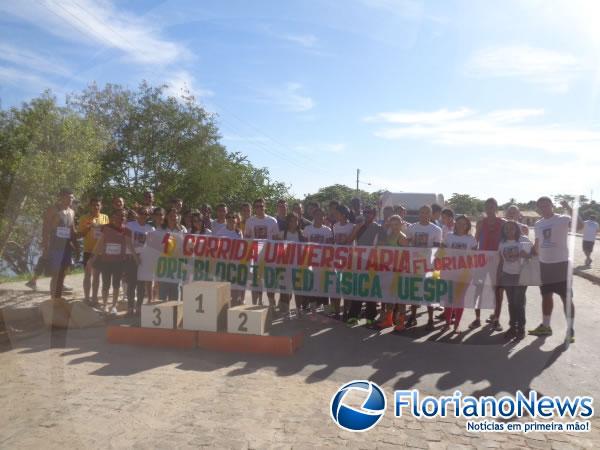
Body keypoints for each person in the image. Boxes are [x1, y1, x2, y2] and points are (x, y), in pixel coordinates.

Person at [529, 198, 581, 344]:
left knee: (566, 298)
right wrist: (529, 252)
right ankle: (546, 326)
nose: (544, 208)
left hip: (562, 265)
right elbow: (538, 244)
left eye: (546, 205)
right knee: (546, 296)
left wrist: (569, 207)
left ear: (552, 206)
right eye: (541, 206)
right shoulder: (538, 224)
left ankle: (570, 330)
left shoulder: (563, 218)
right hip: (544, 266)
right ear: (538, 209)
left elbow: (581, 226)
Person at [346, 205, 387, 326]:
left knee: (371, 291)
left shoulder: (379, 228)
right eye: (365, 212)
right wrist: (357, 228)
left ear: (374, 215)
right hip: (359, 262)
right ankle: (353, 316)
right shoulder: (359, 226)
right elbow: (350, 240)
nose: (367, 214)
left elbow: (384, 245)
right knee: (358, 290)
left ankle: (370, 317)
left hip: (373, 263)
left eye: (369, 213)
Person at [90, 209, 138, 314]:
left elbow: (130, 245)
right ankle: (105, 305)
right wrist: (93, 257)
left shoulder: (127, 231)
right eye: (119, 216)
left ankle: (113, 305)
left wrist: (136, 258)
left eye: (124, 216)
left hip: (119, 262)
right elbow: (100, 243)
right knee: (106, 284)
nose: (121, 218)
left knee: (116, 284)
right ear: (114, 216)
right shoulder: (106, 228)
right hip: (106, 261)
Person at [470, 198, 506, 331]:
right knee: (478, 290)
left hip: (497, 262)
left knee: (497, 291)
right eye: (487, 207)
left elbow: (509, 239)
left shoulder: (503, 223)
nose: (489, 209)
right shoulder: (480, 223)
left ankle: (496, 319)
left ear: (496, 208)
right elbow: (475, 241)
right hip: (482, 261)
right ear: (485, 208)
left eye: (492, 207)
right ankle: (477, 319)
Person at [405, 205, 442, 330]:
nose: (424, 215)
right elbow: (407, 244)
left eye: (427, 212)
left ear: (430, 214)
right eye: (422, 212)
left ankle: (430, 319)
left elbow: (437, 249)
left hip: (429, 266)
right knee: (415, 292)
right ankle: (413, 317)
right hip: (414, 265)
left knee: (429, 292)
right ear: (418, 213)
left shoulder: (436, 230)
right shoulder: (411, 227)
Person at [442, 215, 478, 333]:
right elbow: (442, 253)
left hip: (465, 274)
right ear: (455, 224)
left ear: (468, 225)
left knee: (459, 299)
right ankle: (447, 323)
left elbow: (475, 256)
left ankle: (456, 325)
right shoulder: (448, 236)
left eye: (464, 223)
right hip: (449, 272)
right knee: (448, 299)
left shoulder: (471, 239)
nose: (461, 225)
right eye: (459, 223)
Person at [497, 221, 533, 341]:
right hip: (507, 275)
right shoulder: (502, 243)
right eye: (506, 228)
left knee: (519, 303)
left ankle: (521, 328)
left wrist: (527, 255)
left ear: (517, 229)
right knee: (511, 303)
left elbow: (534, 256)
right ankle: (513, 327)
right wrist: (499, 275)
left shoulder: (524, 240)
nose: (509, 230)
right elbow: (501, 261)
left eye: (512, 228)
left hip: (521, 276)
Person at [43, 188, 79, 300]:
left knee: (63, 272)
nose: (71, 199)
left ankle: (57, 297)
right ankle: (53, 299)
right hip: (55, 245)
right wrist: (45, 245)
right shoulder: (53, 209)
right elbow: (46, 228)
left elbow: (72, 230)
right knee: (56, 273)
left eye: (72, 197)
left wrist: (77, 245)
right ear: (61, 197)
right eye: (68, 197)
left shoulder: (72, 212)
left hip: (66, 246)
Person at [244, 198, 280, 307]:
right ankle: (257, 304)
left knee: (270, 282)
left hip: (269, 257)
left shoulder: (272, 221)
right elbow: (247, 238)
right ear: (254, 208)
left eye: (261, 206)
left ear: (265, 207)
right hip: (255, 257)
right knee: (257, 282)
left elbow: (277, 239)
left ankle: (272, 304)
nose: (259, 208)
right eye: (257, 206)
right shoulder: (250, 221)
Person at [377, 215, 409, 330]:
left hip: (399, 271)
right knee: (389, 296)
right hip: (389, 270)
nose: (394, 227)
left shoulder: (402, 237)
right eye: (392, 224)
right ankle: (389, 320)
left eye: (397, 224)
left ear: (401, 224)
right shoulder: (390, 234)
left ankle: (401, 322)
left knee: (400, 298)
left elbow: (406, 255)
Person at [77, 198, 109, 305]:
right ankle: (86, 298)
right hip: (88, 251)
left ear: (101, 206)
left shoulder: (105, 217)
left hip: (100, 252)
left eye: (98, 205)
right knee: (87, 275)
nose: (96, 207)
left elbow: (108, 234)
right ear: (90, 206)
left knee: (96, 276)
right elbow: (79, 235)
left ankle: (94, 298)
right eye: (94, 205)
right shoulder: (84, 218)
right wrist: (88, 228)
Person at [302, 207, 334, 312]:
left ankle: (325, 306)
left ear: (324, 217)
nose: (319, 217)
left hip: (323, 262)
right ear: (313, 216)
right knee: (312, 284)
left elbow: (330, 246)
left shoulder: (327, 230)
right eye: (317, 215)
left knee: (323, 284)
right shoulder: (307, 229)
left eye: (321, 215)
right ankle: (313, 305)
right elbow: (304, 245)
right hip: (311, 261)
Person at [125, 206, 155, 315]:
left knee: (141, 285)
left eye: (146, 214)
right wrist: (135, 257)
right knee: (131, 284)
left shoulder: (151, 228)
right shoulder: (130, 225)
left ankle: (139, 307)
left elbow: (152, 245)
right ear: (137, 213)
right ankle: (130, 308)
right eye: (141, 213)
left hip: (144, 258)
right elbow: (128, 242)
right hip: (131, 257)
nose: (143, 215)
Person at [215, 212, 244, 305]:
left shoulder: (239, 232)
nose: (231, 219)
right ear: (226, 219)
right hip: (224, 266)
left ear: (237, 219)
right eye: (228, 217)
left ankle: (234, 311)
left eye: (233, 217)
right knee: (224, 290)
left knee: (235, 291)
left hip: (236, 266)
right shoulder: (220, 232)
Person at [158, 208, 187, 301]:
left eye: (175, 215)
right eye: (171, 215)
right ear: (166, 217)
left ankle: (175, 311)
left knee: (176, 289)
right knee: (163, 290)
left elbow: (186, 245)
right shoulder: (160, 229)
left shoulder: (182, 229)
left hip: (177, 264)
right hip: (163, 264)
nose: (173, 217)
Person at [331, 205, 355, 319]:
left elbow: (351, 242)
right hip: (336, 261)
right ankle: (336, 312)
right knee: (335, 287)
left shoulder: (352, 226)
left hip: (348, 261)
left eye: (337, 213)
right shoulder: (334, 226)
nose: (335, 215)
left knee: (346, 288)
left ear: (343, 214)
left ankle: (346, 312)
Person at [279, 212, 304, 316]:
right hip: (285, 266)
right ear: (288, 222)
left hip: (298, 266)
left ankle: (298, 309)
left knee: (298, 290)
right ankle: (286, 310)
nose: (293, 223)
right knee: (285, 289)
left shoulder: (302, 234)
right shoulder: (282, 234)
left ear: (298, 222)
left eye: (296, 220)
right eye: (291, 221)